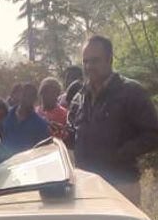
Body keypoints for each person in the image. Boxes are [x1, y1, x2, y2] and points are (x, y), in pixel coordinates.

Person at [67, 35, 158, 204]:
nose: (88, 66)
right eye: (85, 61)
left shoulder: (131, 92)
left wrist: (119, 154)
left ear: (110, 60)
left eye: (94, 61)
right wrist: (66, 136)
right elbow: (74, 135)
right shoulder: (79, 97)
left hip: (121, 185)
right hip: (86, 185)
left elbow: (152, 134)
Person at [0, 83, 50, 155]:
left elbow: (43, 152)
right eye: (25, 95)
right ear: (20, 95)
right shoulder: (6, 115)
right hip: (3, 164)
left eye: (30, 96)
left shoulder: (41, 125)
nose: (27, 99)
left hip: (26, 164)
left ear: (35, 99)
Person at [37, 77, 69, 142]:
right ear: (41, 93)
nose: (49, 95)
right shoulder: (35, 112)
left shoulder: (64, 114)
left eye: (52, 92)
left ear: (57, 94)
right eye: (45, 92)